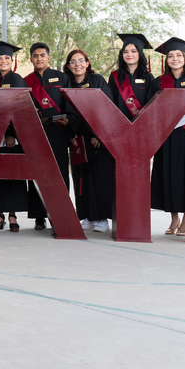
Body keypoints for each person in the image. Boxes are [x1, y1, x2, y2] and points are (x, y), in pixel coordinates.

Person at [149, 37, 185, 236]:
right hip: (167, 134)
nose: (174, 59)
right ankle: (173, 218)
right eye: (171, 56)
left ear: (184, 57)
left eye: (178, 55)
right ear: (166, 60)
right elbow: (152, 108)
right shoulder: (160, 82)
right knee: (168, 175)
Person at [63, 49, 114, 233]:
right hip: (77, 136)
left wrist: (98, 134)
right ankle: (86, 216)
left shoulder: (97, 80)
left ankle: (101, 218)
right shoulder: (66, 82)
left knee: (99, 178)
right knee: (81, 177)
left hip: (96, 137)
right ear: (68, 65)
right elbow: (66, 110)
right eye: (73, 61)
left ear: (87, 62)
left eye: (81, 61)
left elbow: (105, 108)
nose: (77, 64)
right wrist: (71, 132)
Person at [24, 42, 72, 231]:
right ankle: (39, 216)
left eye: (42, 55)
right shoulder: (25, 80)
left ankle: (60, 213)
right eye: (35, 56)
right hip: (36, 132)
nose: (39, 59)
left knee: (59, 172)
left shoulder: (62, 78)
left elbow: (69, 103)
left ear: (48, 57)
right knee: (36, 172)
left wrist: (68, 121)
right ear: (31, 59)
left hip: (58, 132)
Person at [0, 41, 29, 232]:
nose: (3, 61)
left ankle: (12, 214)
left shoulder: (18, 80)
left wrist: (10, 134)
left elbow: (18, 110)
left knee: (13, 174)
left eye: (7, 58)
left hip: (13, 137)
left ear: (12, 60)